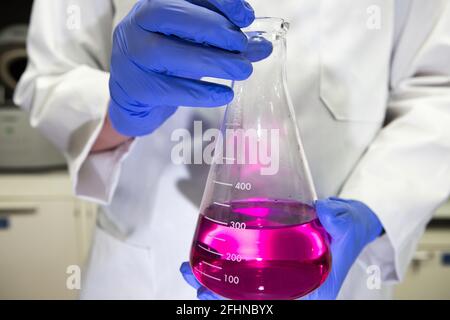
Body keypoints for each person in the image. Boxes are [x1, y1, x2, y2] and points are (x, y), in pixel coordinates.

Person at [14, 0, 450, 299]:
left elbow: (439, 88)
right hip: (147, 268)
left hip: (326, 260)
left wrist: (373, 209)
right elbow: (47, 78)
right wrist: (118, 108)